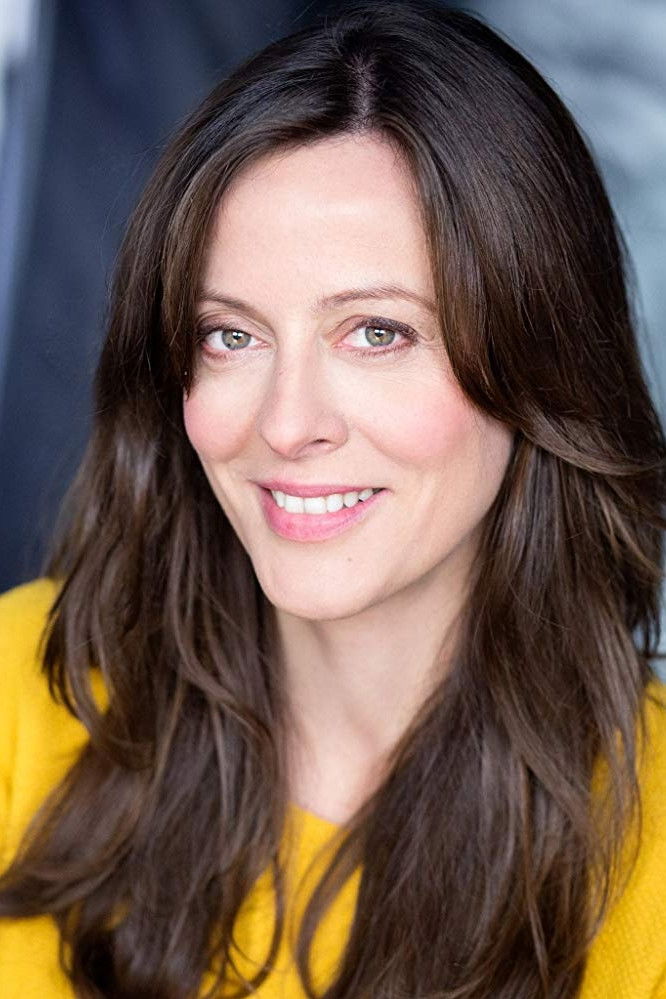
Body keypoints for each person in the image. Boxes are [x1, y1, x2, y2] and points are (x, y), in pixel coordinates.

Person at [1, 0, 666, 995]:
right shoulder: (22, 690)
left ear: (540, 356)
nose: (286, 423)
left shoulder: (652, 843)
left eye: (377, 333)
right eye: (231, 335)